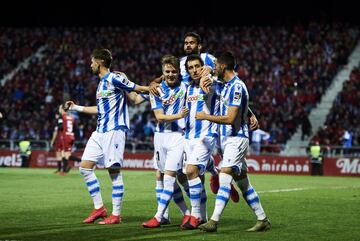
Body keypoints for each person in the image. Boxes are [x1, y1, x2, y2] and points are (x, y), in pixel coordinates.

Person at [64, 48, 149, 225]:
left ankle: (116, 215)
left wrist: (153, 89)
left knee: (114, 171)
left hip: (114, 131)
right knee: (85, 168)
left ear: (100, 62)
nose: (90, 65)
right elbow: (99, 110)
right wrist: (75, 107)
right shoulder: (102, 83)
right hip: (100, 131)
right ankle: (99, 208)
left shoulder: (114, 78)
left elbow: (135, 88)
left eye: (92, 61)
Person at [196, 52, 270, 232]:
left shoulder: (237, 87)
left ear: (223, 66)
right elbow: (235, 102)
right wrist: (251, 113)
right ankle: (262, 219)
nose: (214, 68)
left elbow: (230, 118)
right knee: (243, 183)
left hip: (236, 138)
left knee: (224, 176)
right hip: (226, 140)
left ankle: (213, 221)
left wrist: (206, 116)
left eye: (216, 65)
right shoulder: (224, 84)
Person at [142, 55, 191, 228]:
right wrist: (180, 115)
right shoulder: (156, 90)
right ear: (162, 72)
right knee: (164, 176)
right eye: (167, 72)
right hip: (160, 137)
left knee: (169, 177)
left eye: (173, 71)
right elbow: (160, 117)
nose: (170, 74)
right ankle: (187, 213)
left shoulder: (185, 85)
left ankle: (158, 216)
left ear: (179, 72)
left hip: (178, 137)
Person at [50, 104, 77, 175]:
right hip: (71, 136)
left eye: (59, 108)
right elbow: (75, 128)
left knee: (65, 155)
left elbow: (60, 127)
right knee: (65, 154)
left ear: (62, 109)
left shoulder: (62, 117)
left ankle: (83, 161)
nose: (58, 110)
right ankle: (64, 170)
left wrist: (57, 120)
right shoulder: (71, 117)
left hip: (64, 137)